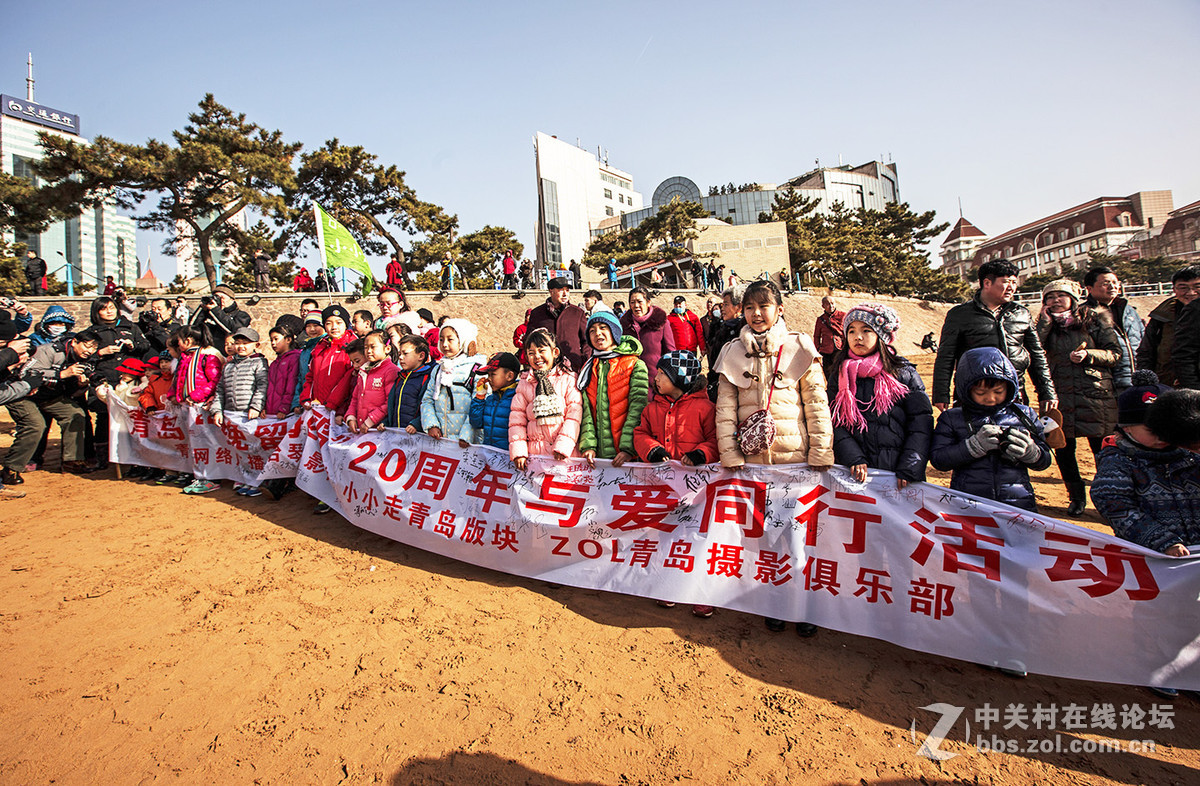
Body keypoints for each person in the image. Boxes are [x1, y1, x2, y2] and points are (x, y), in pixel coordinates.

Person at [713, 280, 832, 636]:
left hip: (796, 462)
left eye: (764, 306)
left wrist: (821, 449)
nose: (756, 314)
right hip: (755, 466)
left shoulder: (800, 348)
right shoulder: (732, 350)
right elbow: (725, 410)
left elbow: (816, 403)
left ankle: (806, 607)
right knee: (768, 540)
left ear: (779, 309)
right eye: (749, 308)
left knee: (802, 538)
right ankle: (775, 602)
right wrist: (730, 454)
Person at [634, 349, 718, 619]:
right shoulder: (652, 408)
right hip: (664, 487)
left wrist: (700, 454)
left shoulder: (705, 408)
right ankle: (669, 585)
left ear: (680, 379)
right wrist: (652, 450)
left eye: (662, 374)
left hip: (697, 490)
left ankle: (700, 593)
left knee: (697, 539)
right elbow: (641, 433)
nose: (656, 378)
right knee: (666, 536)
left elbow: (716, 440)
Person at [930, 347, 1052, 512]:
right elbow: (939, 460)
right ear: (966, 389)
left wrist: (1031, 452)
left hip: (1018, 504)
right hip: (968, 505)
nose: (990, 398)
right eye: (981, 392)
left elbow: (1044, 459)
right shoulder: (952, 418)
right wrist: (971, 447)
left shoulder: (1024, 415)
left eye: (998, 391)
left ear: (1010, 387)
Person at [1035, 279, 1121, 514]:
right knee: (1062, 448)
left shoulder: (1094, 319)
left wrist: (1089, 355)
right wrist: (1044, 324)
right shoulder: (1044, 325)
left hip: (1095, 394)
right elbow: (1035, 351)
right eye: (1050, 297)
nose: (1055, 301)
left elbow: (1115, 353)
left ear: (1073, 298)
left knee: (1102, 450)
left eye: (1061, 296)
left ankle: (1110, 498)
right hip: (1057, 394)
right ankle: (1076, 498)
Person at [1092, 373, 1200, 557]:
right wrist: (1162, 540)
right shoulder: (1117, 462)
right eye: (1152, 430)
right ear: (1126, 427)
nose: (1162, 436)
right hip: (1152, 558)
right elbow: (1118, 508)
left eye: (1168, 429)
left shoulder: (1192, 455)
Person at [829, 303, 933, 490]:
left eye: (866, 330)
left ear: (881, 336)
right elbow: (833, 420)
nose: (857, 337)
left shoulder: (903, 373)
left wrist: (910, 466)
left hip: (898, 472)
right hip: (853, 472)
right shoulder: (839, 374)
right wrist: (852, 456)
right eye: (851, 331)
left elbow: (920, 423)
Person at [932, 260, 1057, 413]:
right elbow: (946, 357)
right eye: (1005, 282)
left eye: (1014, 282)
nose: (1011, 287)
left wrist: (1047, 392)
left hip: (1015, 393)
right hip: (974, 394)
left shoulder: (1022, 313)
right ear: (987, 283)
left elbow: (1037, 355)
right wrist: (941, 394)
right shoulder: (959, 315)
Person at [4, 329, 99, 482]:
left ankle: (71, 461)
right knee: (36, 425)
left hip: (50, 396)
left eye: (94, 348)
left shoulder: (86, 360)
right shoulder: (48, 351)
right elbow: (26, 373)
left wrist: (81, 385)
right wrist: (62, 374)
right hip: (23, 394)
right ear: (75, 342)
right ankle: (11, 469)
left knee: (75, 415)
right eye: (87, 346)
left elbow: (72, 392)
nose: (90, 351)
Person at [577, 311, 648, 468]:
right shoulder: (589, 367)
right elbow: (586, 410)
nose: (598, 333)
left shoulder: (634, 364)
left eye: (603, 328)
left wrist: (628, 448)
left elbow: (638, 408)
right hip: (598, 456)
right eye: (592, 330)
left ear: (614, 331)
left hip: (626, 456)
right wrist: (589, 446)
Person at [509, 328, 582, 469]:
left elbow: (574, 414)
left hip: (565, 455)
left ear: (555, 353)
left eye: (541, 351)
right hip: (534, 456)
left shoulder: (568, 379)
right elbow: (517, 421)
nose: (537, 356)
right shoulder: (525, 383)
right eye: (531, 353)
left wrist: (563, 446)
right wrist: (519, 452)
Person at [419, 318, 485, 443]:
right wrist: (432, 425)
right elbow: (427, 399)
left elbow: (479, 405)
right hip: (440, 439)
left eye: (450, 339)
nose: (444, 344)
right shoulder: (439, 369)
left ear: (463, 340)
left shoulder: (477, 369)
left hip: (466, 442)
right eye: (442, 339)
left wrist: (466, 436)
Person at [1136, 265, 1200, 387]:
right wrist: (1145, 383)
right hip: (1167, 383)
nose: (1191, 293)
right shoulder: (1161, 315)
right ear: (1174, 289)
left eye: (1197, 287)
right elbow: (1146, 351)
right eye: (1183, 288)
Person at [1083, 266, 1142, 391]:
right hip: (1104, 384)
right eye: (1105, 283)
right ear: (1089, 288)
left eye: (1115, 283)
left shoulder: (1130, 311)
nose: (1112, 286)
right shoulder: (1083, 315)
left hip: (1137, 379)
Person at [526, 277, 589, 373]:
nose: (565, 294)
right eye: (561, 290)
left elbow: (586, 340)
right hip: (546, 368)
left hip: (573, 368)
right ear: (551, 291)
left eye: (567, 290)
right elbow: (529, 341)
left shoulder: (577, 313)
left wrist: (584, 360)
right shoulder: (537, 313)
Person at [341, 331, 398, 435]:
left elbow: (389, 402)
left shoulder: (391, 371)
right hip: (362, 428)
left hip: (378, 430)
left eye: (373, 347)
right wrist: (351, 417)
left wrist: (370, 421)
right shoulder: (363, 371)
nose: (369, 351)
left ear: (387, 349)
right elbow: (355, 398)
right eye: (366, 347)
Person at [621, 287, 676, 382]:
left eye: (639, 301)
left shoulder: (661, 323)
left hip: (655, 379)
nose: (636, 305)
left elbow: (670, 351)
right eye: (632, 302)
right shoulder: (624, 325)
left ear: (648, 302)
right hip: (631, 379)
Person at [469, 352, 520, 450]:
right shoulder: (490, 399)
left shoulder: (518, 399)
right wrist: (479, 397)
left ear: (509, 376)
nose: (489, 379)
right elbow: (476, 423)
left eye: (493, 374)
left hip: (509, 457)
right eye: (488, 375)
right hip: (489, 454)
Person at [706, 284, 747, 402]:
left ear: (739, 307)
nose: (722, 308)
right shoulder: (723, 328)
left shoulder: (744, 332)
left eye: (726, 304)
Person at [385, 334, 434, 433]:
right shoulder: (401, 378)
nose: (401, 358)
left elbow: (429, 407)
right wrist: (386, 422)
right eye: (399, 354)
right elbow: (393, 407)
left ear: (421, 356)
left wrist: (417, 424)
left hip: (417, 435)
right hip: (398, 433)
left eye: (405, 353)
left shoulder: (427, 378)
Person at [190, 285, 251, 352]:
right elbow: (191, 328)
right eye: (216, 297)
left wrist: (216, 310)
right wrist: (202, 309)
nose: (219, 300)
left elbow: (232, 330)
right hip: (207, 354)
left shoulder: (242, 315)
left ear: (232, 299)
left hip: (228, 355)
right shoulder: (208, 313)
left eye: (222, 298)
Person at [813, 296, 847, 379]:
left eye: (832, 303)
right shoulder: (820, 320)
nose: (831, 306)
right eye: (828, 304)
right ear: (823, 306)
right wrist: (818, 348)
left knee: (840, 372)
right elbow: (816, 336)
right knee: (828, 373)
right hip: (826, 351)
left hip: (840, 349)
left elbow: (847, 332)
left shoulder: (843, 316)